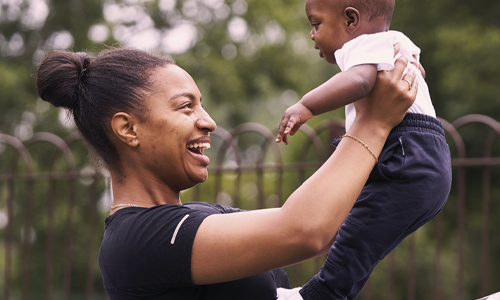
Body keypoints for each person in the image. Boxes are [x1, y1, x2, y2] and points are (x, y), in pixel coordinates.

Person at [36, 47, 417, 300]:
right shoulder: (137, 240)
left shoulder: (201, 217)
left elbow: (322, 232)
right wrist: (373, 124)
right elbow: (305, 231)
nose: (209, 122)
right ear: (128, 129)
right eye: (186, 107)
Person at [275, 0, 452, 299]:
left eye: (316, 24)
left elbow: (359, 81)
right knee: (361, 235)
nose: (311, 35)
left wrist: (305, 105)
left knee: (356, 236)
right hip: (427, 158)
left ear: (351, 20)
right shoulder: (394, 41)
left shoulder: (364, 45)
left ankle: (321, 294)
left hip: (404, 155)